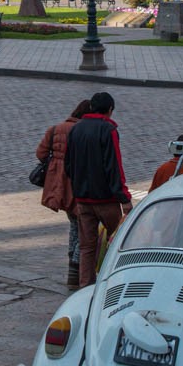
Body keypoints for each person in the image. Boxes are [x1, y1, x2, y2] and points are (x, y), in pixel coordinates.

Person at [65, 91, 131, 289]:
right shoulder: (108, 129)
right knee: (117, 242)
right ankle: (112, 284)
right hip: (106, 200)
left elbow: (68, 164)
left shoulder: (76, 129)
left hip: (83, 199)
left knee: (87, 246)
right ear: (110, 110)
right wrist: (124, 198)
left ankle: (85, 287)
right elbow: (114, 166)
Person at [36, 100, 91, 288]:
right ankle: (75, 271)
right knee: (83, 225)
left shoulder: (55, 129)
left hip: (57, 183)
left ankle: (72, 266)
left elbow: (41, 153)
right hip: (76, 182)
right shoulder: (83, 131)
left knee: (74, 224)